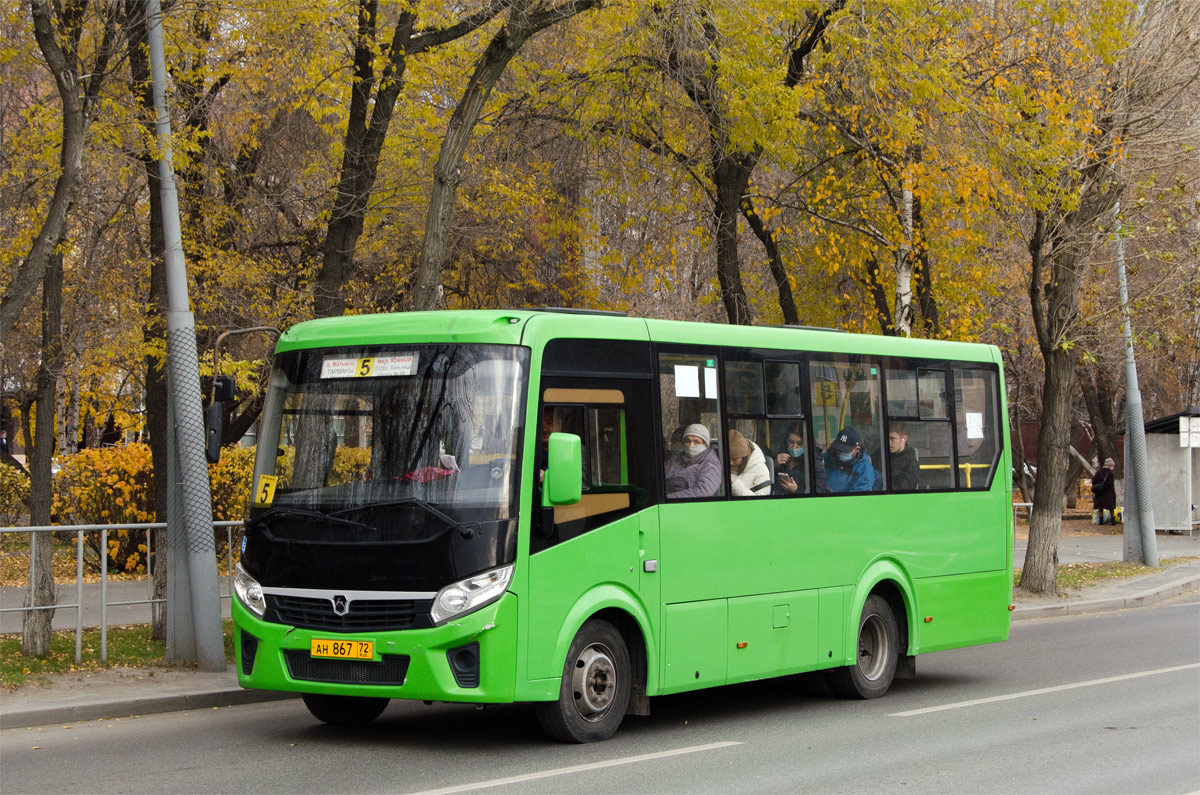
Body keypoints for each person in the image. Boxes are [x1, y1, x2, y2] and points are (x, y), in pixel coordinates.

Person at [664, 423, 721, 498]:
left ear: (705, 444)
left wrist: (668, 498)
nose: (691, 445)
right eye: (687, 441)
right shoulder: (676, 459)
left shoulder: (711, 464)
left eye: (697, 442)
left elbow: (703, 491)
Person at [775, 422, 828, 494]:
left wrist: (796, 490)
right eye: (791, 442)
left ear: (807, 444)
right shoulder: (782, 455)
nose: (794, 447)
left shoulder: (814, 462)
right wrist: (775, 465)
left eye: (799, 444)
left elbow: (819, 491)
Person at [823, 426, 875, 493]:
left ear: (857, 449)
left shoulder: (864, 468)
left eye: (845, 451)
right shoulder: (828, 457)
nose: (841, 453)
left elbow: (858, 496)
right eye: (839, 449)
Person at [728, 429, 770, 497]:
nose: (731, 463)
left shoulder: (760, 469)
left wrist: (735, 486)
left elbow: (762, 501)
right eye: (728, 458)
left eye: (734, 459)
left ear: (744, 456)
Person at [888, 422, 920, 491]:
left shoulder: (910, 464)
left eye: (892, 439)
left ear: (904, 438)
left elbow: (903, 489)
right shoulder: (880, 454)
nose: (889, 442)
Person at [1091, 457, 1116, 525]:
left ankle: (1101, 521)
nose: (1113, 467)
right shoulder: (1110, 473)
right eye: (1113, 465)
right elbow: (1110, 483)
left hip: (1099, 493)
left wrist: (1098, 488)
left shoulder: (1098, 472)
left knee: (1100, 508)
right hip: (1108, 493)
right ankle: (1113, 521)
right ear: (1110, 465)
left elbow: (1093, 481)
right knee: (1111, 508)